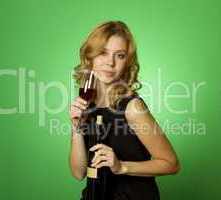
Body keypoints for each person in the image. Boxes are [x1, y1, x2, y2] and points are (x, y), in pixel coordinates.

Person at [69, 21, 180, 200]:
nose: (110, 62)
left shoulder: (133, 108)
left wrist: (122, 167)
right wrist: (76, 128)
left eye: (119, 55)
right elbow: (78, 172)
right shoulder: (87, 105)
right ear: (90, 58)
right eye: (103, 52)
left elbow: (171, 164)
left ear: (126, 63)